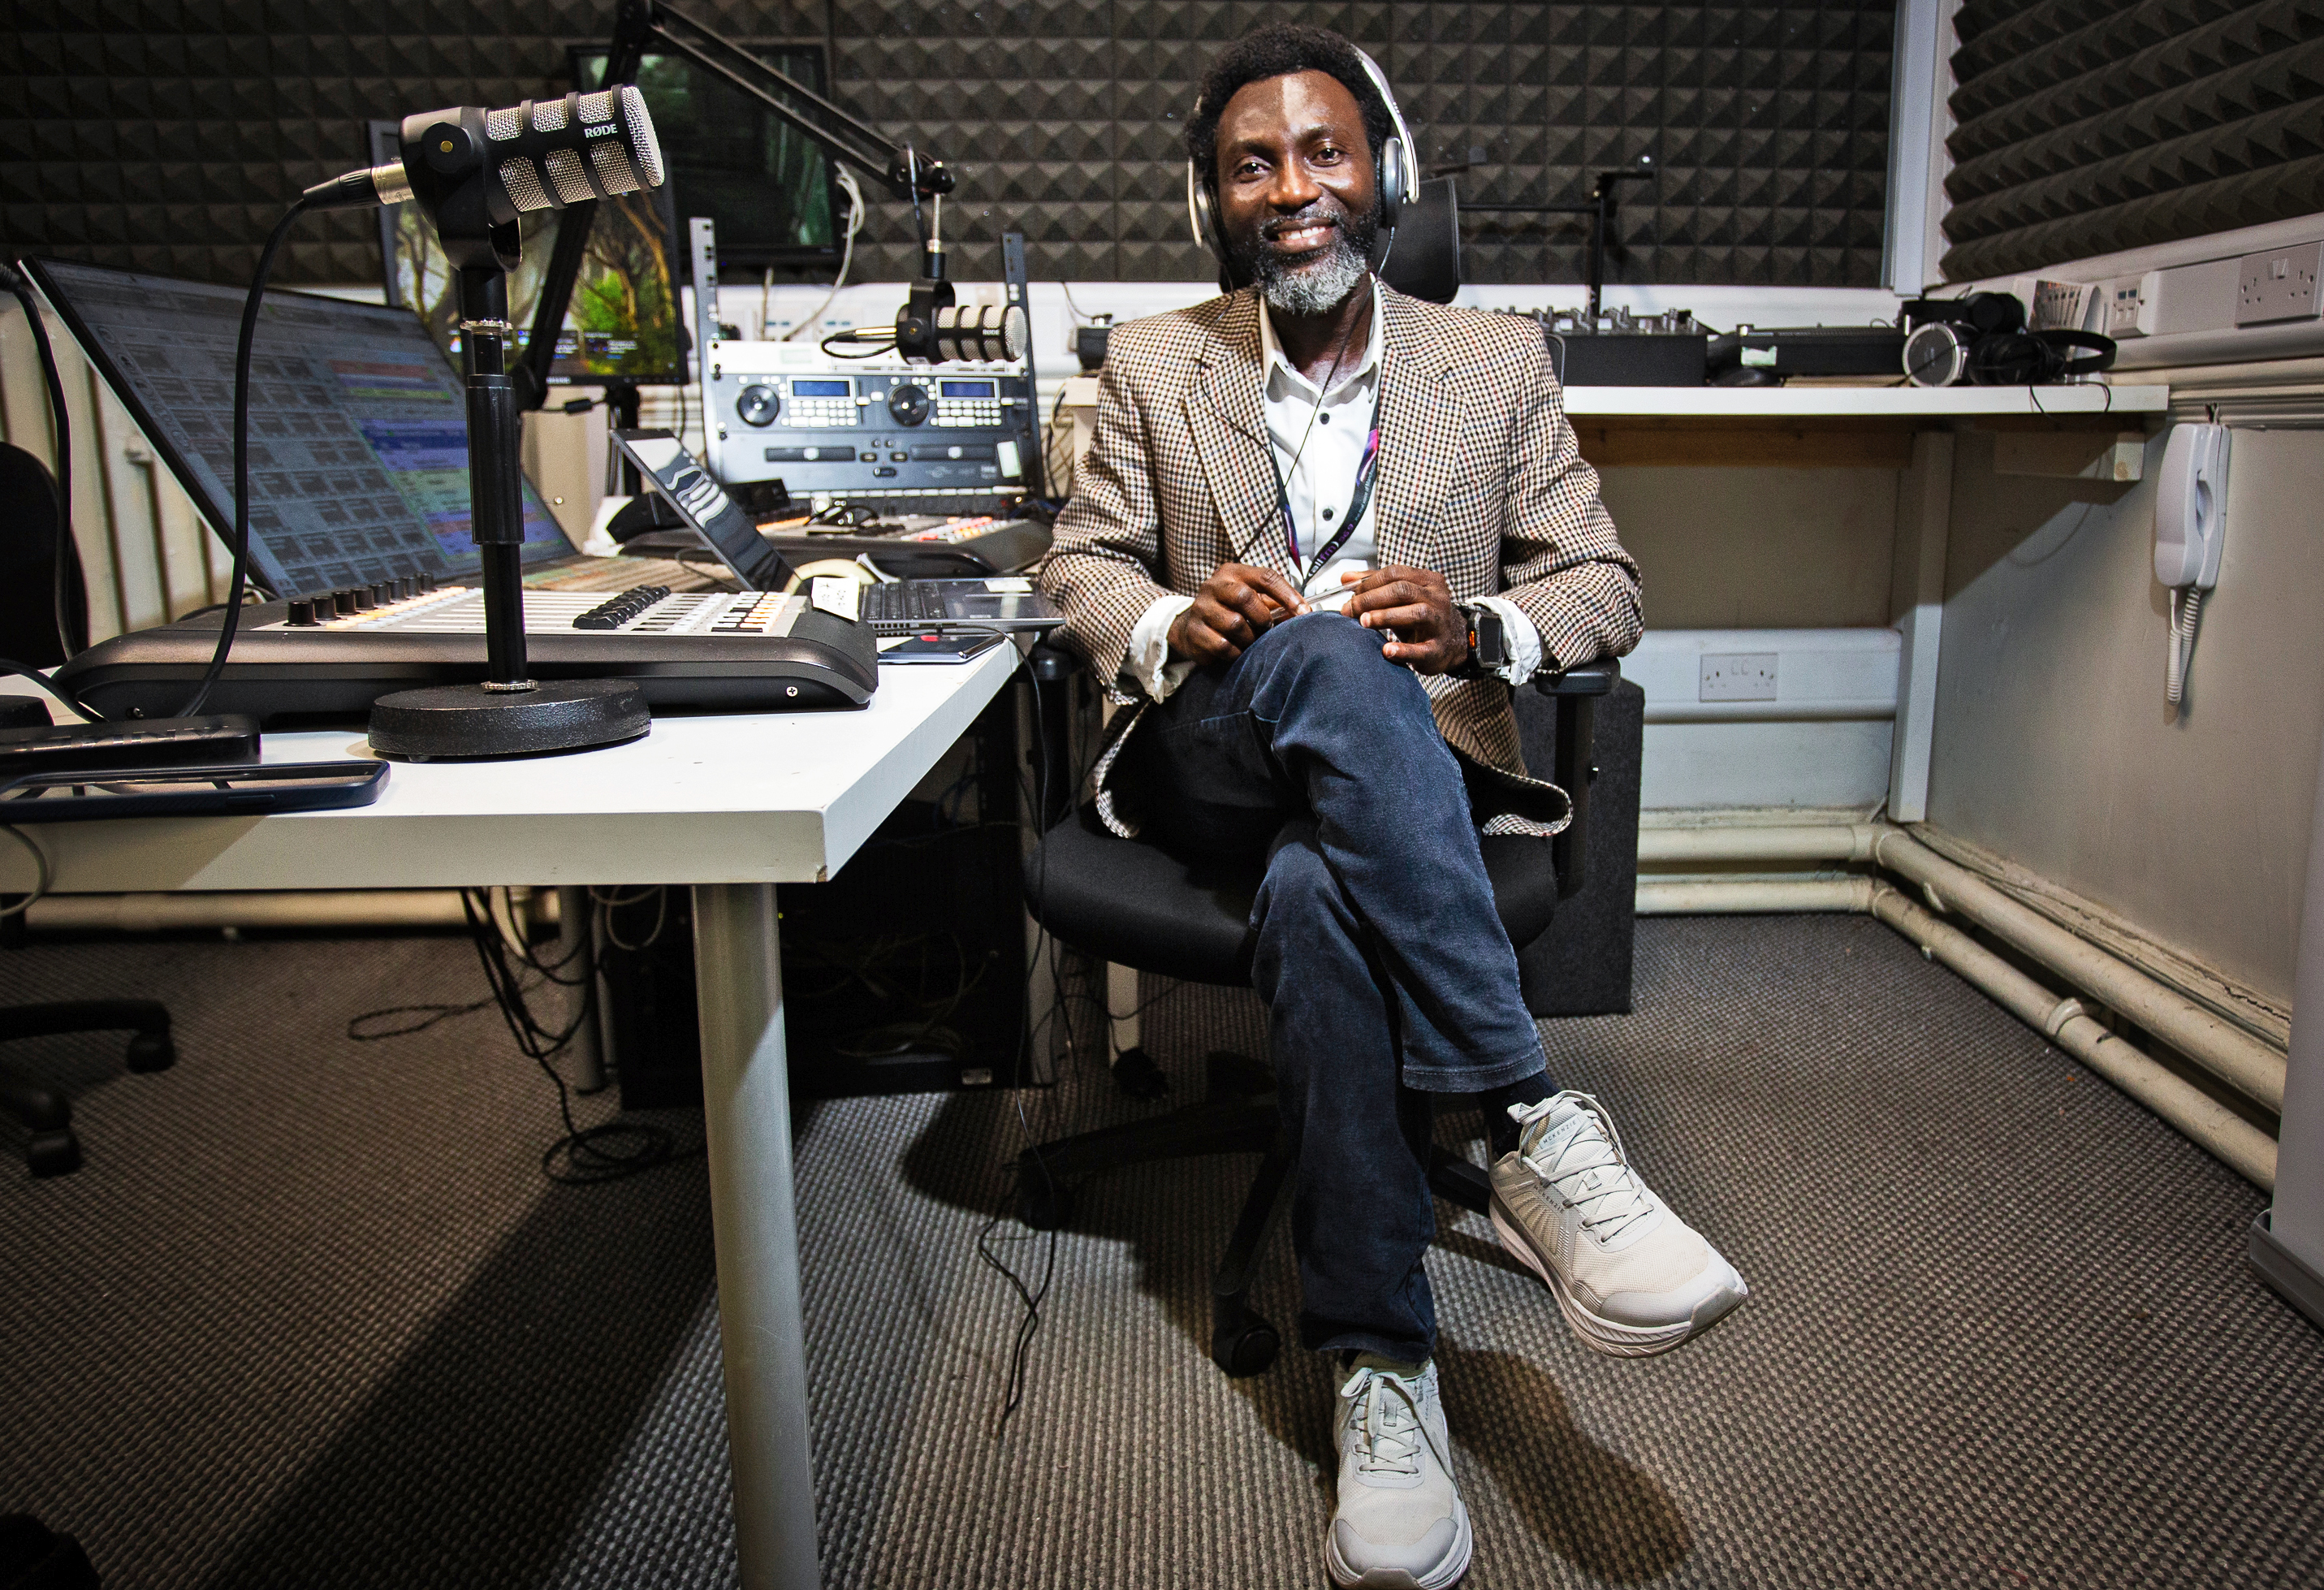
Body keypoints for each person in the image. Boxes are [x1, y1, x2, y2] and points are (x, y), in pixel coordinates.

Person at [1035, 24, 1747, 1588]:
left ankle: (1380, 1367)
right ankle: (1519, 1112)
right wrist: (1167, 623)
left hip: (1400, 778)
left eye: (1323, 153)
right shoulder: (1154, 360)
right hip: (1207, 751)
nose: (1293, 190)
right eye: (1252, 164)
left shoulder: (1490, 360)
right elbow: (1075, 567)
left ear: (1384, 177)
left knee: (1313, 889)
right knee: (1306, 655)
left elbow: (1604, 586)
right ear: (1211, 199)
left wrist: (1482, 625)